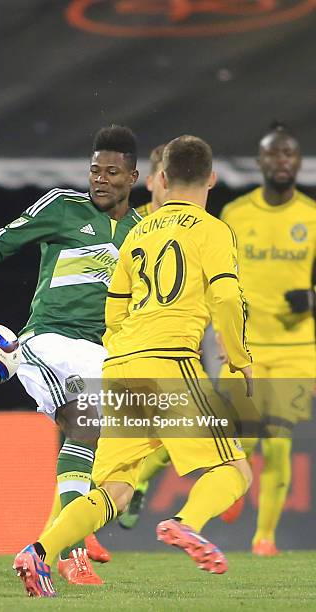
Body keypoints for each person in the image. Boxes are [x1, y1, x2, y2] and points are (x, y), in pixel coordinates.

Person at [13, 135, 253, 598]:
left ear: (161, 179)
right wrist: (240, 359)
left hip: (122, 365)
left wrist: (122, 351)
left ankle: (38, 552)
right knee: (234, 471)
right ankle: (185, 523)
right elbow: (225, 295)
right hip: (172, 363)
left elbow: (114, 309)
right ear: (213, 179)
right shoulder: (213, 230)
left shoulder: (138, 231)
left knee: (113, 490)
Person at [0, 125, 142, 585]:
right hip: (47, 341)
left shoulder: (143, 233)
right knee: (88, 420)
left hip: (103, 351)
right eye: (95, 170)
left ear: (133, 177)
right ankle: (73, 544)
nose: (100, 179)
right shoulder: (61, 207)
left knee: (105, 430)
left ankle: (62, 535)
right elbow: (1, 240)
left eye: (112, 172)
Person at [216, 123, 316, 556]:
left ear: (297, 161)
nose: (281, 161)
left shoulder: (312, 216)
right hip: (246, 348)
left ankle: (265, 538)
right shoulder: (236, 214)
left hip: (297, 349)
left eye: (288, 154)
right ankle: (234, 488)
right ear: (259, 162)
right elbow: (215, 277)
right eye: (273, 154)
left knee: (279, 441)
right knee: (243, 437)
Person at [118, 142, 171, 529]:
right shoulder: (129, 226)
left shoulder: (197, 225)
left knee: (173, 437)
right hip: (133, 345)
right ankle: (69, 539)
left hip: (177, 344)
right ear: (153, 181)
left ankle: (137, 485)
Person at [135, 143, 167, 217]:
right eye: (164, 177)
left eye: (177, 179)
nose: (172, 185)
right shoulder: (131, 224)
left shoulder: (196, 222)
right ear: (150, 182)